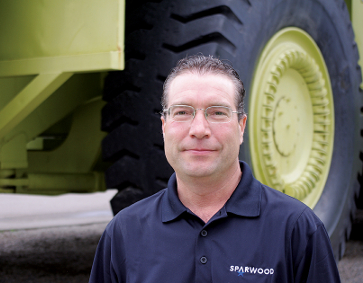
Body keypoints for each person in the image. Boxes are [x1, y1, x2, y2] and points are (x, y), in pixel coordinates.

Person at [89, 55, 341, 282]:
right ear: (164, 126)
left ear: (241, 126)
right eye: (182, 112)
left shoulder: (296, 228)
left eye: (217, 112)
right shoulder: (124, 233)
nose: (199, 129)